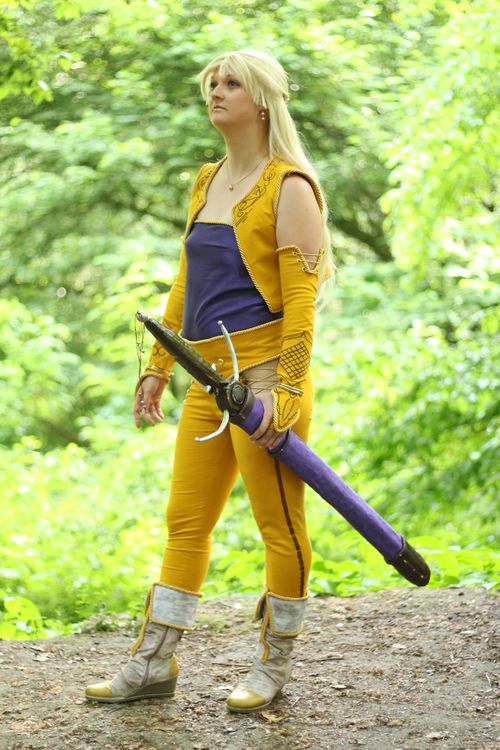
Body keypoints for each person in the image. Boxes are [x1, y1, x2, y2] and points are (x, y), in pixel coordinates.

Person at [85, 48, 331, 713]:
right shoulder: (207, 179)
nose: (216, 92)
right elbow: (187, 281)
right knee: (185, 521)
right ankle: (154, 662)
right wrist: (158, 365)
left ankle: (274, 666)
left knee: (278, 524)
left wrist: (286, 389)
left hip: (264, 381)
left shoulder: (290, 187)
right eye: (213, 83)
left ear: (263, 102)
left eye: (231, 84)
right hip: (207, 377)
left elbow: (301, 305)